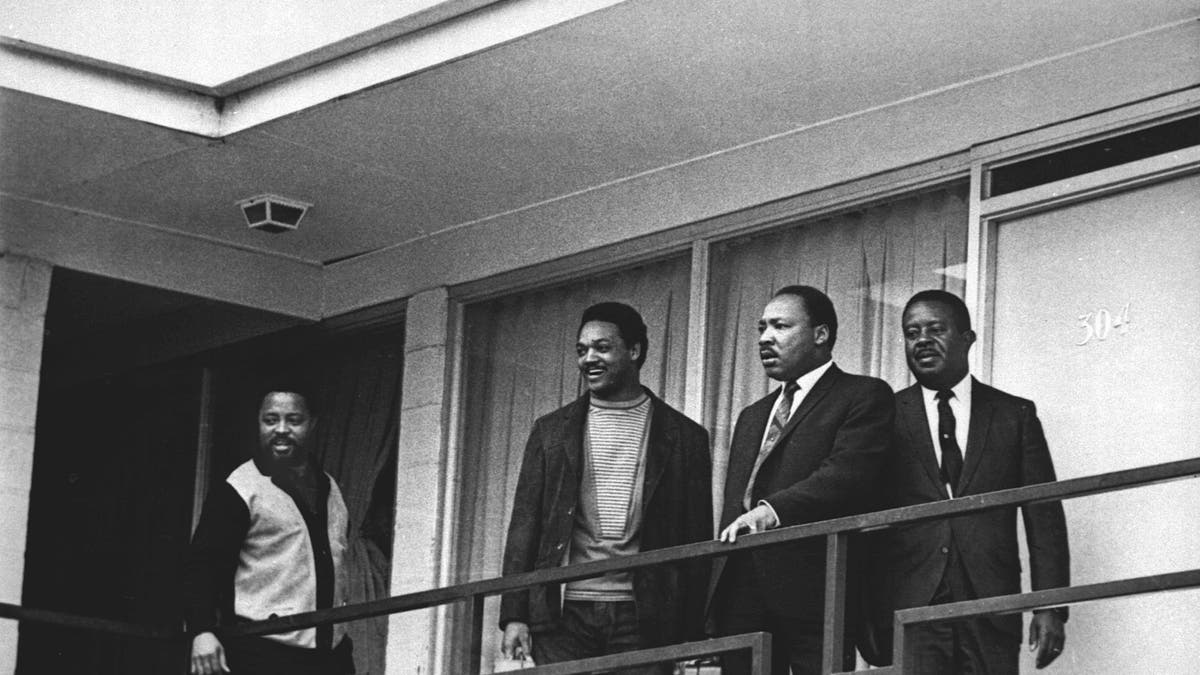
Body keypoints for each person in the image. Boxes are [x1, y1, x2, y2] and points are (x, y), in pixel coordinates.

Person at [499, 302, 712, 673]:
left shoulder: (685, 437)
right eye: (582, 350)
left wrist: (691, 630)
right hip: (562, 615)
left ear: (634, 350)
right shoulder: (550, 432)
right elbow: (524, 528)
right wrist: (514, 615)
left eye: (602, 347)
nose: (588, 359)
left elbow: (695, 539)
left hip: (645, 618)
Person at [877, 289, 1069, 673]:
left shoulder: (1014, 415)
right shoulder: (882, 416)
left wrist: (1050, 605)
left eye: (935, 329)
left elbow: (1043, 514)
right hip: (911, 603)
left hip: (991, 602)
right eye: (912, 333)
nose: (922, 341)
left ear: (967, 338)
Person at [710, 285, 893, 675]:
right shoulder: (751, 416)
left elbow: (846, 476)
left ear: (820, 335)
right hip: (742, 590)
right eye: (762, 327)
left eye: (780, 326)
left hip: (818, 590)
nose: (764, 337)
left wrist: (770, 512)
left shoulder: (862, 395)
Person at [183, 389, 353, 675]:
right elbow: (202, 565)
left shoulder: (330, 487)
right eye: (271, 420)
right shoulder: (239, 488)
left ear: (313, 424)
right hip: (265, 654)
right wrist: (201, 631)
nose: (282, 430)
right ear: (258, 424)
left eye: (294, 420)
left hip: (330, 656)